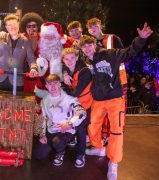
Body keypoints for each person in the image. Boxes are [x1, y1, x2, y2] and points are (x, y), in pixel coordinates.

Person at [79, 23, 153, 180]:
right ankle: (99, 148)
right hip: (98, 100)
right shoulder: (87, 61)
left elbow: (129, 52)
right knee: (92, 126)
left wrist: (141, 39)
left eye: (89, 45)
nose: (87, 49)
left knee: (116, 132)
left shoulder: (110, 54)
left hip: (114, 98)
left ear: (94, 45)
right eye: (84, 47)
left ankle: (114, 162)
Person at [86, 17, 127, 146]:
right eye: (90, 27)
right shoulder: (89, 44)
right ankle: (101, 138)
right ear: (88, 30)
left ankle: (112, 138)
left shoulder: (112, 39)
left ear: (100, 25)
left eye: (95, 25)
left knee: (115, 115)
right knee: (99, 114)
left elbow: (123, 55)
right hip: (100, 82)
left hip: (117, 79)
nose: (93, 28)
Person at [35, 74, 86, 166]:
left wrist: (69, 124)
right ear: (46, 86)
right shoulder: (44, 100)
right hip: (52, 129)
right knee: (39, 155)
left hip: (66, 130)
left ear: (59, 84)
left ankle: (60, 152)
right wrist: (42, 134)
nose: (53, 86)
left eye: (55, 83)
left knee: (57, 142)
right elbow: (43, 118)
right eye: (50, 84)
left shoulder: (69, 99)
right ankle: (56, 144)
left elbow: (82, 112)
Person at [0, 13, 38, 91]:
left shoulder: (26, 41)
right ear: (6, 27)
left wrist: (33, 68)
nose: (12, 27)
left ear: (18, 24)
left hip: (17, 80)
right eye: (9, 25)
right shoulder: (1, 38)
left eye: (14, 24)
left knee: (16, 103)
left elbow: (31, 59)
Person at [62, 48, 93, 168]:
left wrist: (62, 89)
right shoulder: (66, 70)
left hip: (86, 106)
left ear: (76, 58)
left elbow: (75, 93)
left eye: (72, 58)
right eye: (66, 59)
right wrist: (64, 74)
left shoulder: (85, 71)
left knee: (81, 128)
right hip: (74, 105)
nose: (69, 61)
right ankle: (65, 145)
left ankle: (81, 154)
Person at [34, 22, 74, 105]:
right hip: (42, 87)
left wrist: (63, 40)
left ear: (56, 37)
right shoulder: (40, 47)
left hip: (59, 88)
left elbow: (71, 50)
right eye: (45, 36)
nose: (48, 38)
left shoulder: (62, 49)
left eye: (51, 35)